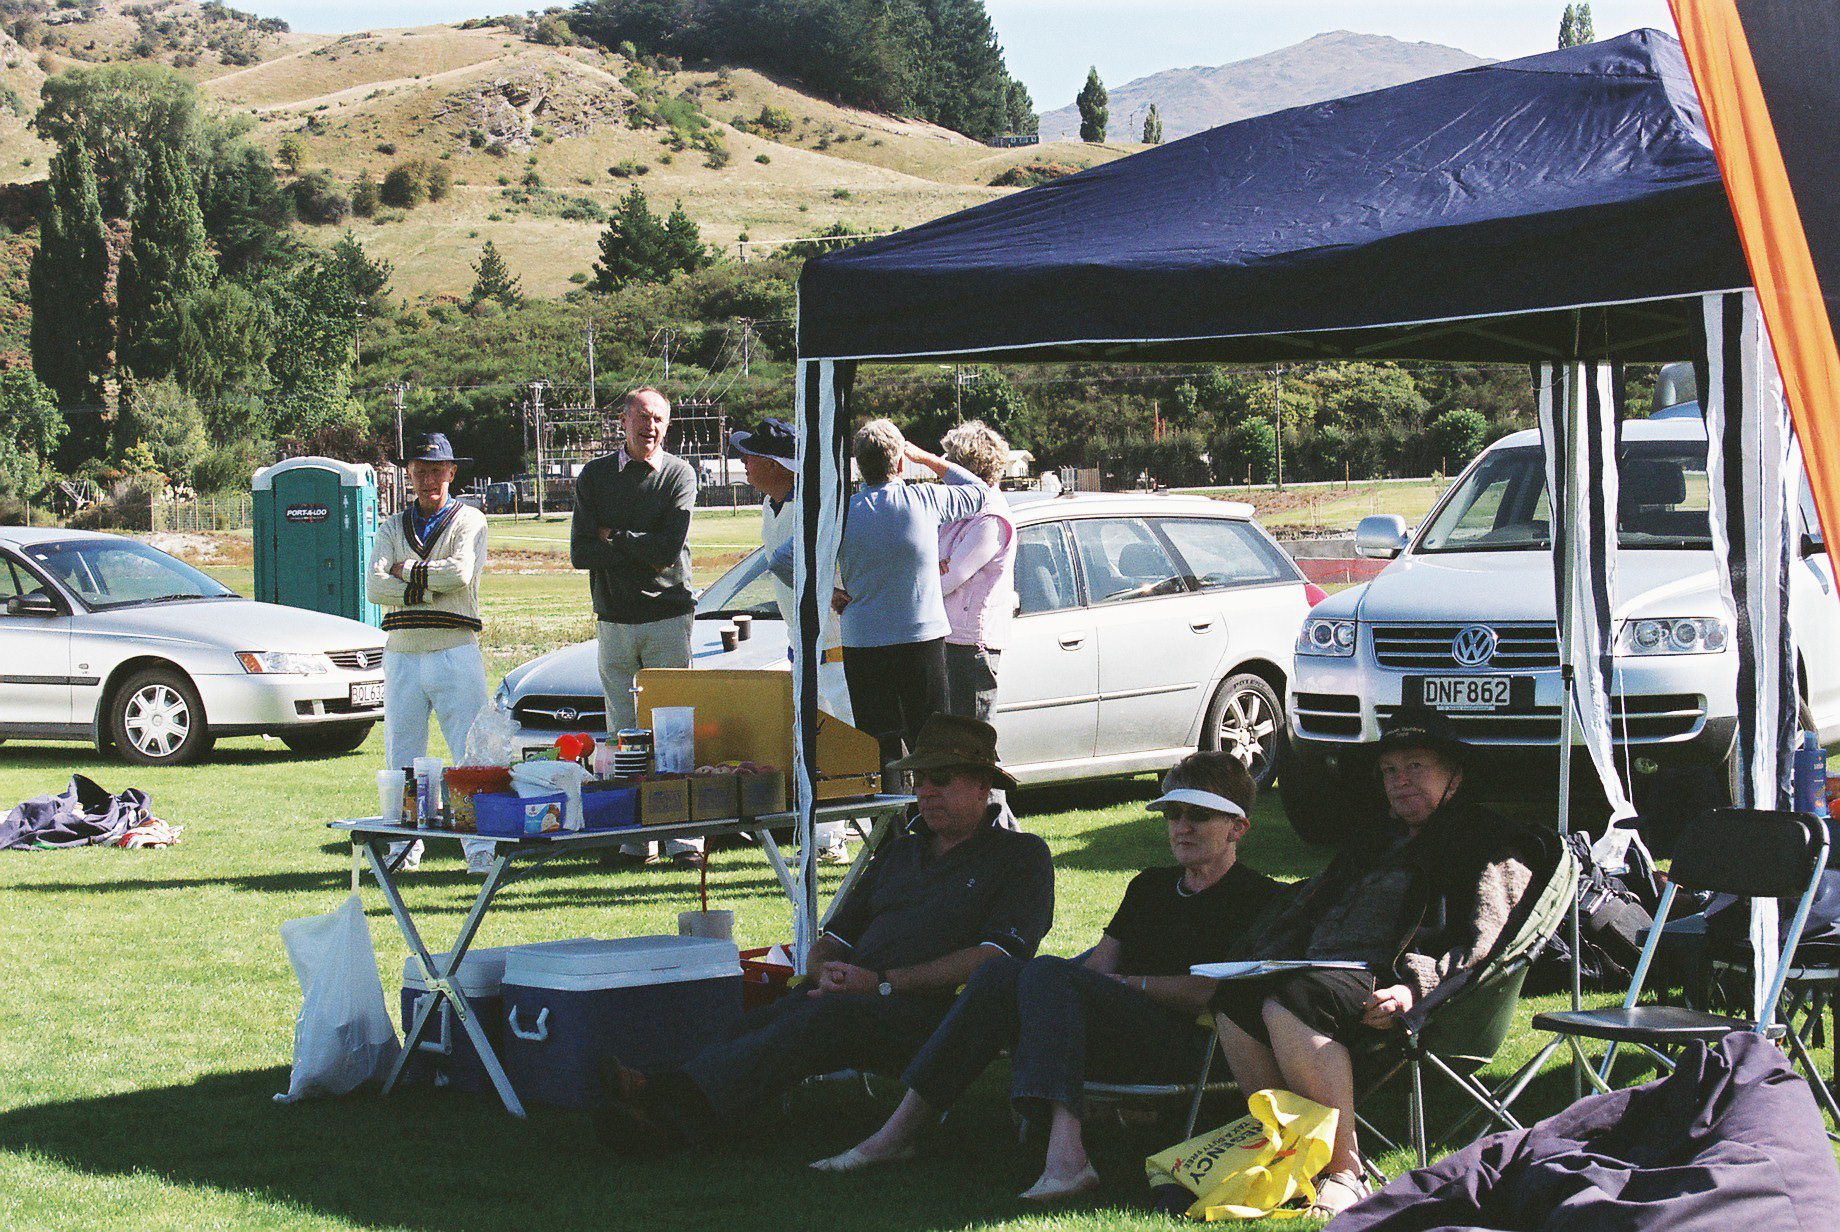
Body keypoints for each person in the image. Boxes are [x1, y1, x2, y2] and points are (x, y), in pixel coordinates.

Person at [810, 750, 1282, 1202]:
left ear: (1237, 827)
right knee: (1000, 975)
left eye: (1197, 816)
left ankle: (1066, 1155)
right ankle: (898, 1133)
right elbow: (1097, 971)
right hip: (1125, 1026)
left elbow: (1215, 994)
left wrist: (1125, 987)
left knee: (1049, 975)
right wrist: (1074, 989)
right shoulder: (1150, 886)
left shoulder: (1258, 899)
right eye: (1172, 814)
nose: (1181, 827)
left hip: (1195, 1046)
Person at [592, 714, 1054, 1153]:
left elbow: (997, 957)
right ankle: (656, 1095)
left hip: (941, 1013)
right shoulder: (900, 853)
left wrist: (881, 983)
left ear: (982, 785)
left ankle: (668, 1118)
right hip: (855, 993)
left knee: (817, 1021)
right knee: (770, 1017)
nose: (926, 792)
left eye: (942, 779)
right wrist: (821, 968)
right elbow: (837, 934)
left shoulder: (1020, 857)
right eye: (919, 780)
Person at [1208, 709, 1541, 1218]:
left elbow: (1483, 942)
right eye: (1389, 771)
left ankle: (1346, 1171)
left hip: (1390, 984)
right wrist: (1255, 959)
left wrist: (1416, 987)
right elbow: (1312, 904)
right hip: (1320, 967)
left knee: (1297, 999)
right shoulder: (1375, 838)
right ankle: (1289, 1154)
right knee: (1236, 999)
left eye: (1415, 766)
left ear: (1455, 775)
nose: (1400, 780)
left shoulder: (1486, 841)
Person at [774, 419, 986, 766]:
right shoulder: (925, 499)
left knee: (878, 747)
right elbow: (978, 491)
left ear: (859, 466)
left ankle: (891, 818)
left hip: (864, 645)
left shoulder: (841, 515)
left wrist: (826, 591)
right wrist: (930, 459)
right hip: (921, 639)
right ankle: (929, 814)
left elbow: (782, 560)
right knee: (931, 744)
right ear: (901, 462)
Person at [571, 387, 701, 866]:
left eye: (661, 420)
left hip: (667, 616)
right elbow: (581, 553)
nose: (652, 428)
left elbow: (667, 550)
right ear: (622, 421)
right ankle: (634, 838)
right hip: (614, 620)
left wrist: (615, 536)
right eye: (644, 418)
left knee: (673, 732)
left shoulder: (679, 475)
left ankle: (682, 839)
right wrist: (635, 545)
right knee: (623, 733)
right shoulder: (595, 476)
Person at [365, 432, 494, 874]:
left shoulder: (469, 520)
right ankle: (404, 849)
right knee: (402, 755)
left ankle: (480, 850)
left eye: (437, 470)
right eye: (420, 471)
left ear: (452, 473)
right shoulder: (390, 526)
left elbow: (458, 575)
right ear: (409, 474)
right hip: (402, 653)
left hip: (455, 649)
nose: (428, 479)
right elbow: (375, 587)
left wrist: (407, 575)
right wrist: (424, 587)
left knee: (471, 755)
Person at [729, 416, 855, 864]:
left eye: (752, 456)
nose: (743, 462)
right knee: (811, 743)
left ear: (778, 463)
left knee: (842, 742)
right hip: (800, 644)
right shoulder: (771, 504)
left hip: (837, 647)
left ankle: (834, 835)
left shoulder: (818, 506)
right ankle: (824, 831)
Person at [929, 421, 1017, 723]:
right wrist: (931, 564)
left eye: (951, 463)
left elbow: (947, 580)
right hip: (949, 642)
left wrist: (934, 567)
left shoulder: (990, 518)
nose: (945, 471)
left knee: (972, 746)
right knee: (954, 743)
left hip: (971, 648)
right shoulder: (961, 512)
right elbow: (930, 562)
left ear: (969, 468)